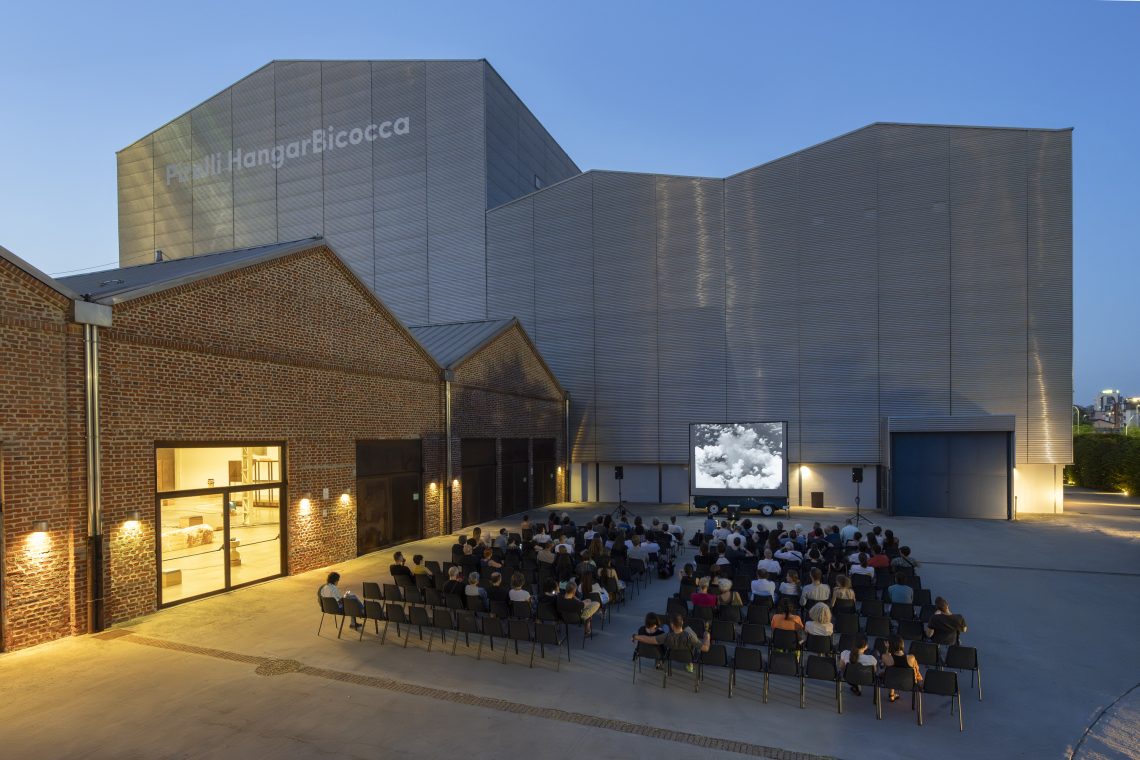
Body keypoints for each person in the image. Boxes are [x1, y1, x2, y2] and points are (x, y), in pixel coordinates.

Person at [881, 634, 923, 702]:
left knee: (890, 671)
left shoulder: (885, 657)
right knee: (897, 671)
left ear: (890, 645)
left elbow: (886, 658)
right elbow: (916, 670)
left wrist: (888, 648)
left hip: (890, 682)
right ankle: (892, 695)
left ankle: (891, 695)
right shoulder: (911, 657)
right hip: (908, 683)